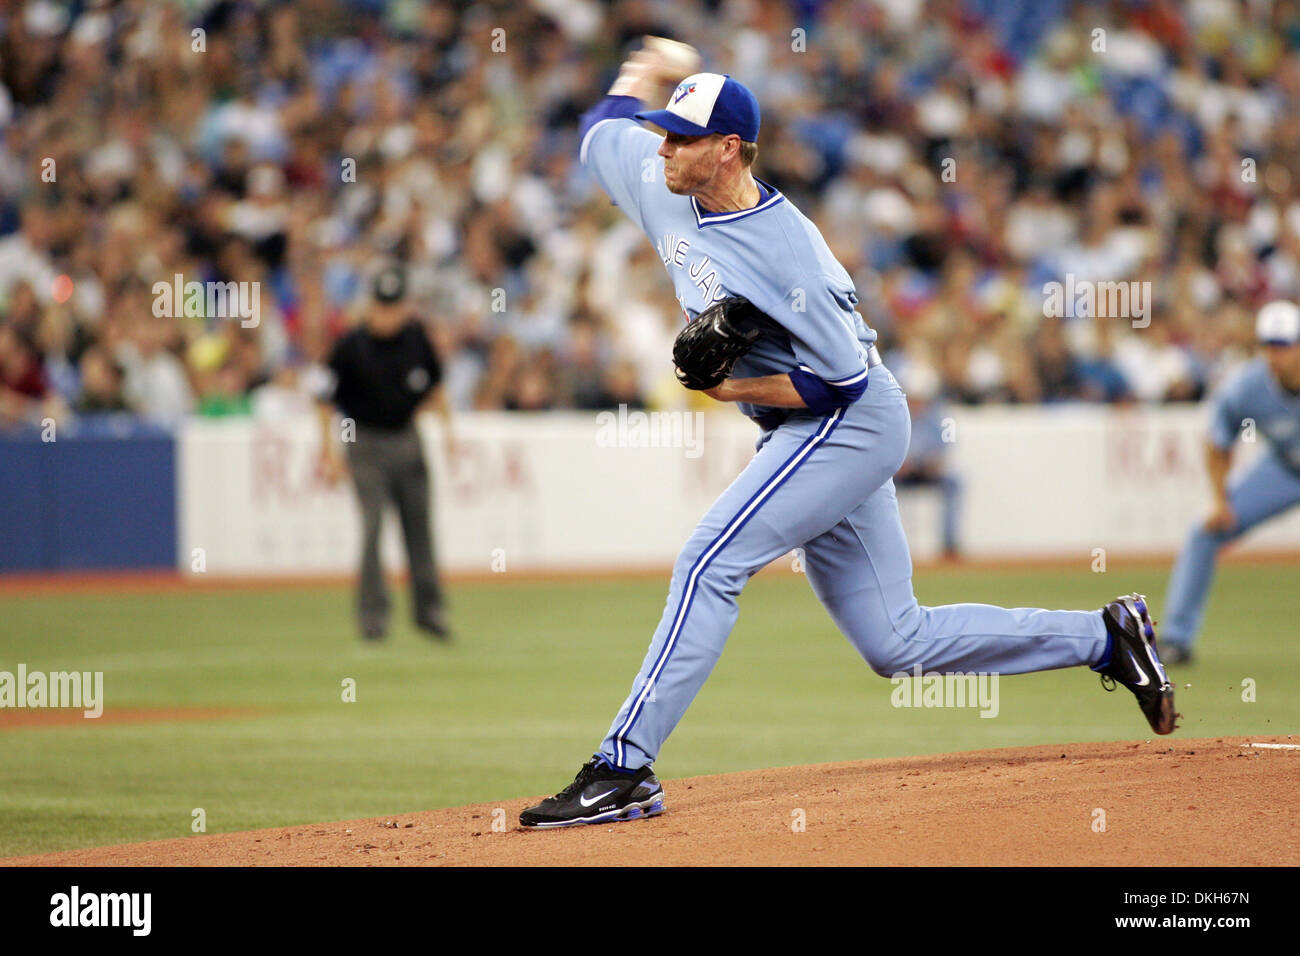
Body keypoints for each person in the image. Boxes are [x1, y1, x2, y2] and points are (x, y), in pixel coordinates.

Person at [519, 42, 1176, 829]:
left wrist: (726, 386)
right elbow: (600, 130)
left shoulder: (789, 250)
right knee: (898, 643)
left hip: (850, 420)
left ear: (728, 149)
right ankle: (1106, 636)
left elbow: (842, 383)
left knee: (710, 560)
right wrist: (644, 72)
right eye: (662, 133)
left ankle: (623, 768)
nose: (661, 147)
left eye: (681, 137)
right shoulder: (659, 180)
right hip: (805, 426)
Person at [316, 265, 455, 642]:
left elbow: (437, 387)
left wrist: (449, 434)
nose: (388, 314)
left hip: (407, 437)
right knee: (372, 527)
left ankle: (430, 611)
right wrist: (327, 453)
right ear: (371, 306)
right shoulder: (349, 347)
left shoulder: (416, 339)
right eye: (382, 306)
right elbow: (323, 402)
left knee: (419, 526)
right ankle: (373, 616)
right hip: (365, 443)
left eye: (394, 306)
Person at [1159, 300, 1300, 664]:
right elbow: (1218, 440)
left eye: (1284, 345)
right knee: (1205, 533)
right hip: (1285, 470)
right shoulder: (1249, 386)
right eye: (1269, 345)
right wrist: (1220, 500)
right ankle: (1176, 639)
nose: (1276, 354)